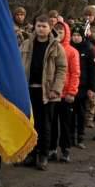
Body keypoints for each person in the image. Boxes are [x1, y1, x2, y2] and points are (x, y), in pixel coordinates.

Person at [19, 14, 68, 167]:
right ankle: (31, 154)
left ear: (50, 28)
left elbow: (62, 69)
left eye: (44, 26)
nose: (41, 29)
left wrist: (56, 89)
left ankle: (43, 155)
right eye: (38, 26)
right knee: (29, 124)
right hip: (28, 90)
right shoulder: (26, 44)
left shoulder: (56, 47)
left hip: (47, 92)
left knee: (45, 124)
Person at [54, 17, 81, 162]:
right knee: (51, 123)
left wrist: (72, 91)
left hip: (66, 94)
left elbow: (75, 73)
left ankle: (65, 149)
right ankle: (51, 149)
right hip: (52, 93)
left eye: (61, 31)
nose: (58, 33)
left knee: (65, 124)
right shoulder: (50, 48)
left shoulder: (72, 52)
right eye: (56, 30)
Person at [70, 20, 95, 150]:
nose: (76, 37)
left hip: (83, 86)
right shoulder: (69, 47)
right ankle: (70, 136)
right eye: (74, 35)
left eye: (78, 35)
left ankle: (80, 137)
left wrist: (92, 88)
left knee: (80, 113)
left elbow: (93, 70)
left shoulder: (89, 49)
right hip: (69, 86)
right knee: (70, 113)